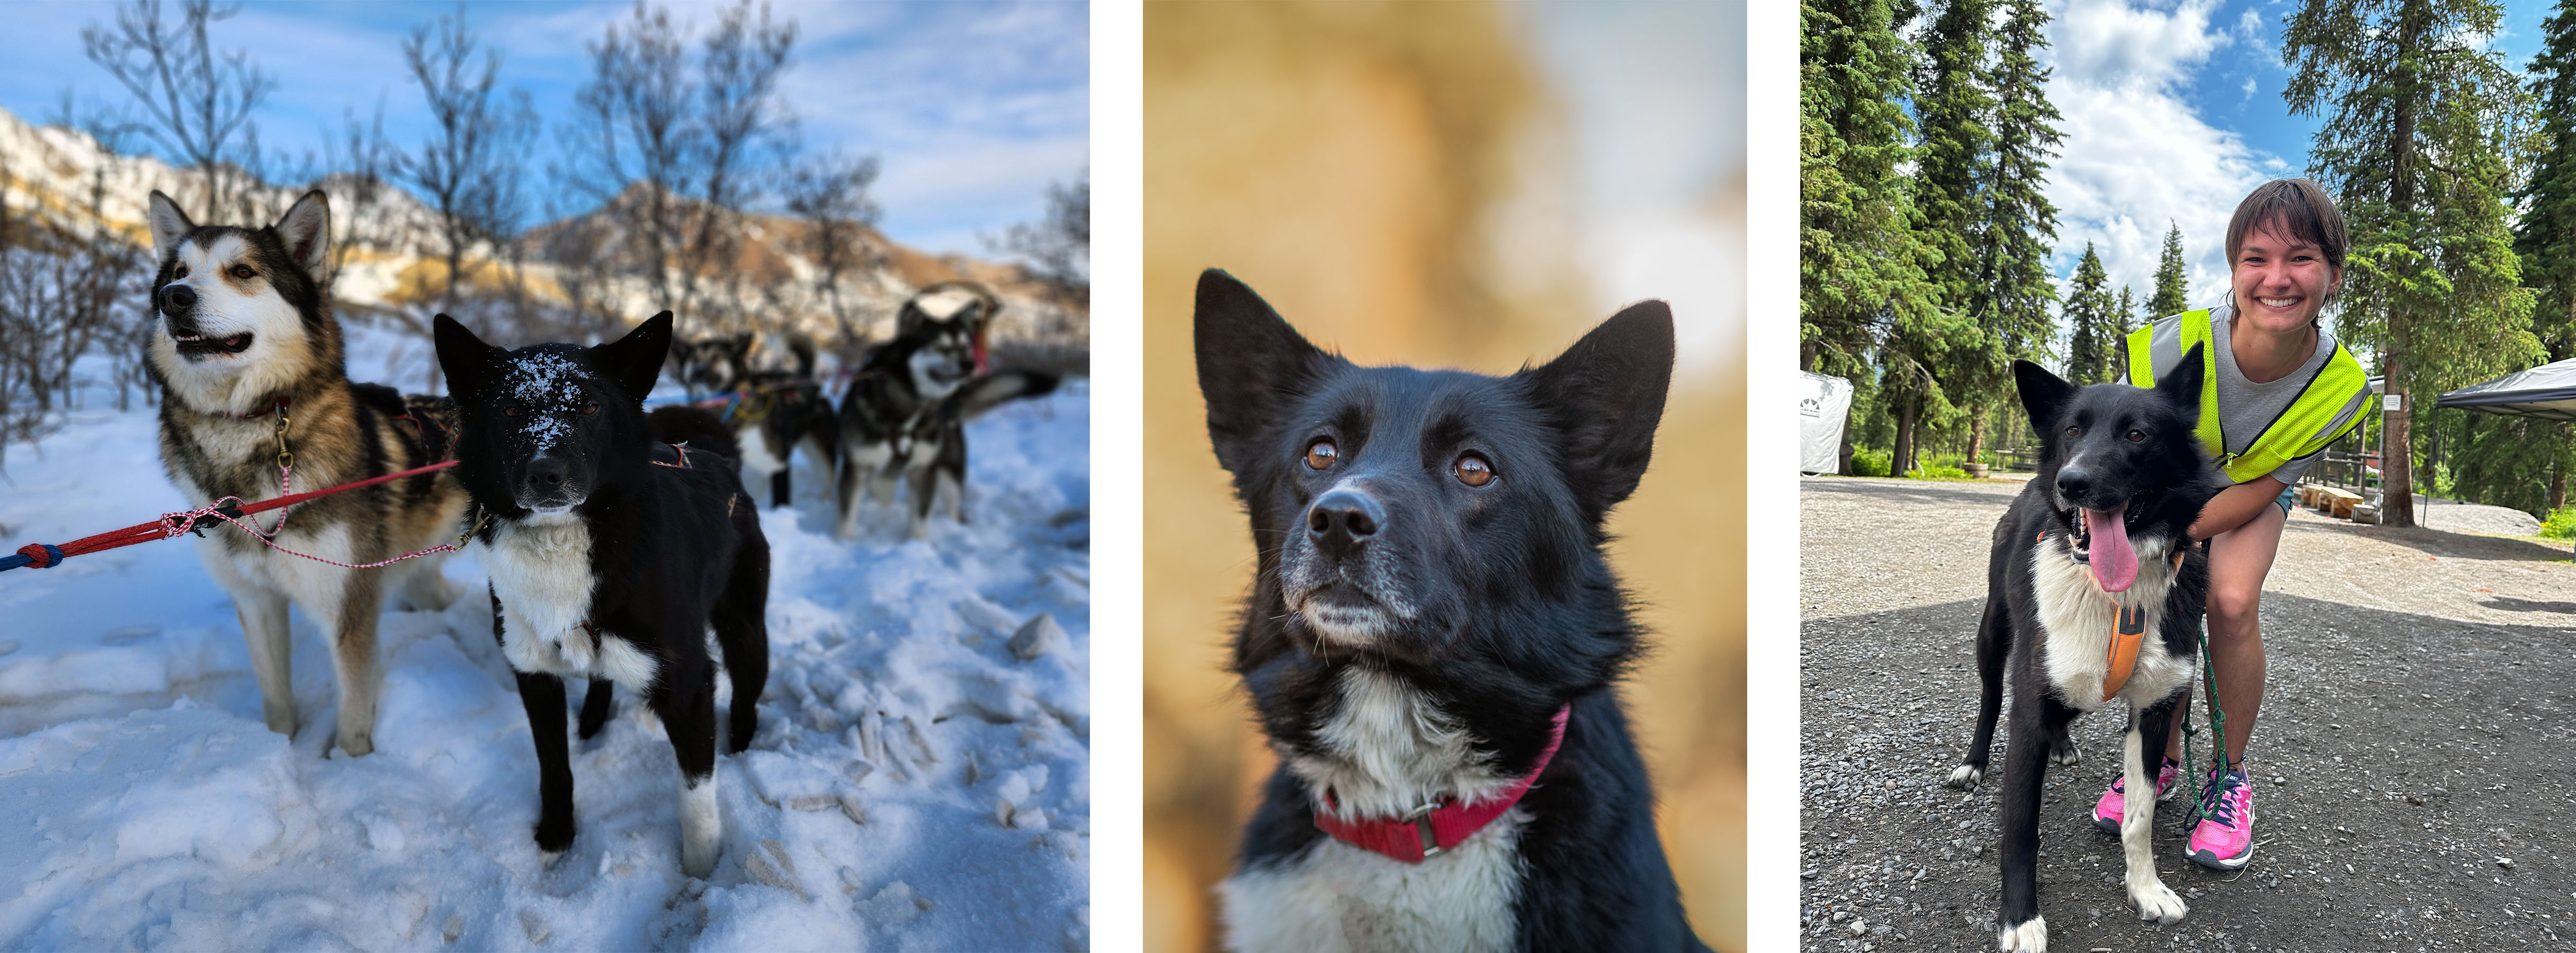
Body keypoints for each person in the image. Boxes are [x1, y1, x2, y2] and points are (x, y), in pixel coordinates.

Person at [2095, 178, 2374, 870]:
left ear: (2333, 277)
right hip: (2163, 491)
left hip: (2249, 493)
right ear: (2233, 271)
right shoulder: (2168, 349)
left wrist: (2179, 543)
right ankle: (2155, 760)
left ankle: (2230, 777)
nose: (2276, 278)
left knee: (2229, 599)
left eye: (2301, 259)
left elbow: (2257, 493)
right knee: (2159, 606)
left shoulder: (2341, 388)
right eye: (2256, 258)